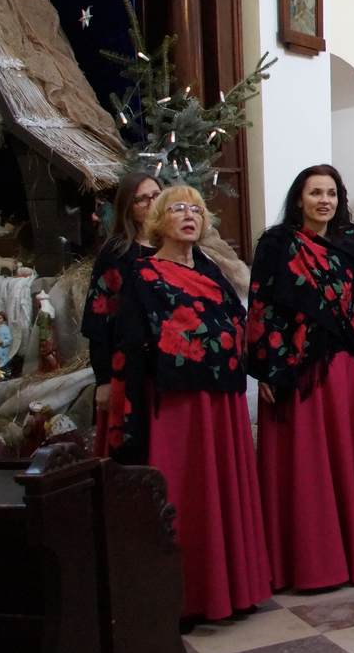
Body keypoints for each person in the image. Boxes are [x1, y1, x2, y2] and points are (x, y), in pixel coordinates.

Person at [109, 184, 270, 621]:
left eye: (196, 209)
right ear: (158, 219)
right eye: (177, 208)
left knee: (223, 492)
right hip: (176, 406)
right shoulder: (141, 276)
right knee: (186, 494)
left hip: (221, 403)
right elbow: (129, 346)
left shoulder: (213, 271)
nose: (189, 215)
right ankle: (185, 600)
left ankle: (231, 590)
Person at [246, 165, 354, 591]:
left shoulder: (353, 244)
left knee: (343, 460)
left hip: (341, 364)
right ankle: (302, 564)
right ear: (299, 199)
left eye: (330, 193)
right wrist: (267, 368)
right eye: (314, 193)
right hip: (293, 369)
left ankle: (347, 558)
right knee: (302, 466)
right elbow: (260, 305)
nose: (323, 200)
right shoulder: (277, 243)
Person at [84, 172, 160, 455]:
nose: (152, 203)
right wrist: (103, 380)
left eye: (156, 195)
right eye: (142, 199)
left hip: (168, 373)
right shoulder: (117, 252)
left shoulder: (178, 246)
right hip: (128, 370)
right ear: (128, 207)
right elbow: (98, 319)